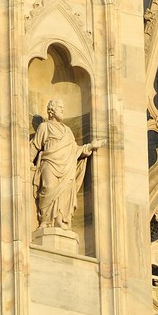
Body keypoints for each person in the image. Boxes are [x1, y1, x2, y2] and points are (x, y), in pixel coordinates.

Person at [31, 98, 100, 229]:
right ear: (51, 110)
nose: (62, 110)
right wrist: (28, 162)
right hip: (50, 163)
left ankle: (60, 219)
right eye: (60, 107)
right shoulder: (44, 127)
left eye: (63, 107)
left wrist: (91, 146)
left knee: (64, 193)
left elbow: (75, 149)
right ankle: (46, 220)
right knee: (49, 187)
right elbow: (35, 145)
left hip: (67, 167)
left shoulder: (67, 131)